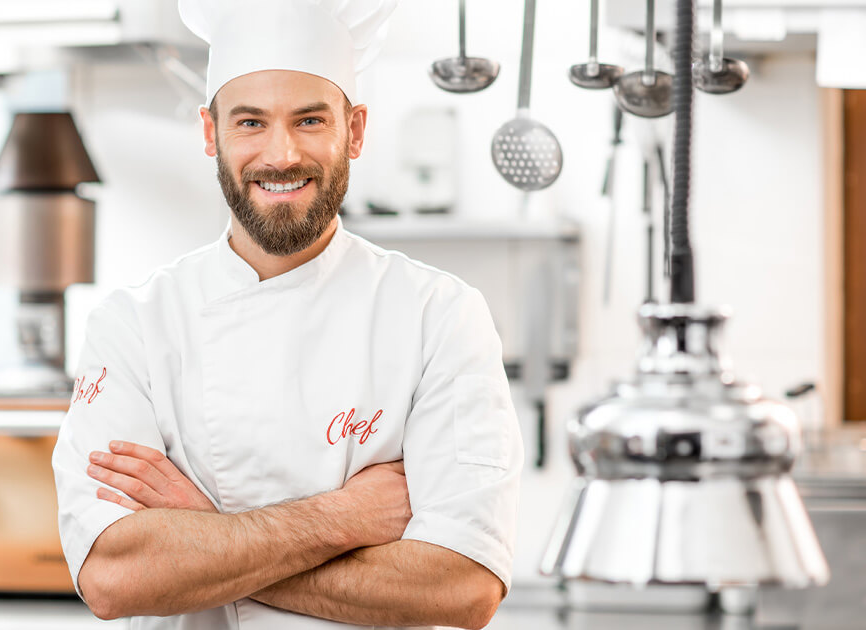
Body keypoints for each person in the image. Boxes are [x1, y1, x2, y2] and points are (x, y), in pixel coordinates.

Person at [51, 1, 524, 628]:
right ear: (209, 131)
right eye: (250, 122)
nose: (280, 154)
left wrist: (204, 538)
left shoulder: (441, 316)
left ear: (353, 131)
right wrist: (346, 517)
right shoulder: (134, 325)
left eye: (309, 120)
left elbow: (462, 587)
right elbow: (115, 577)